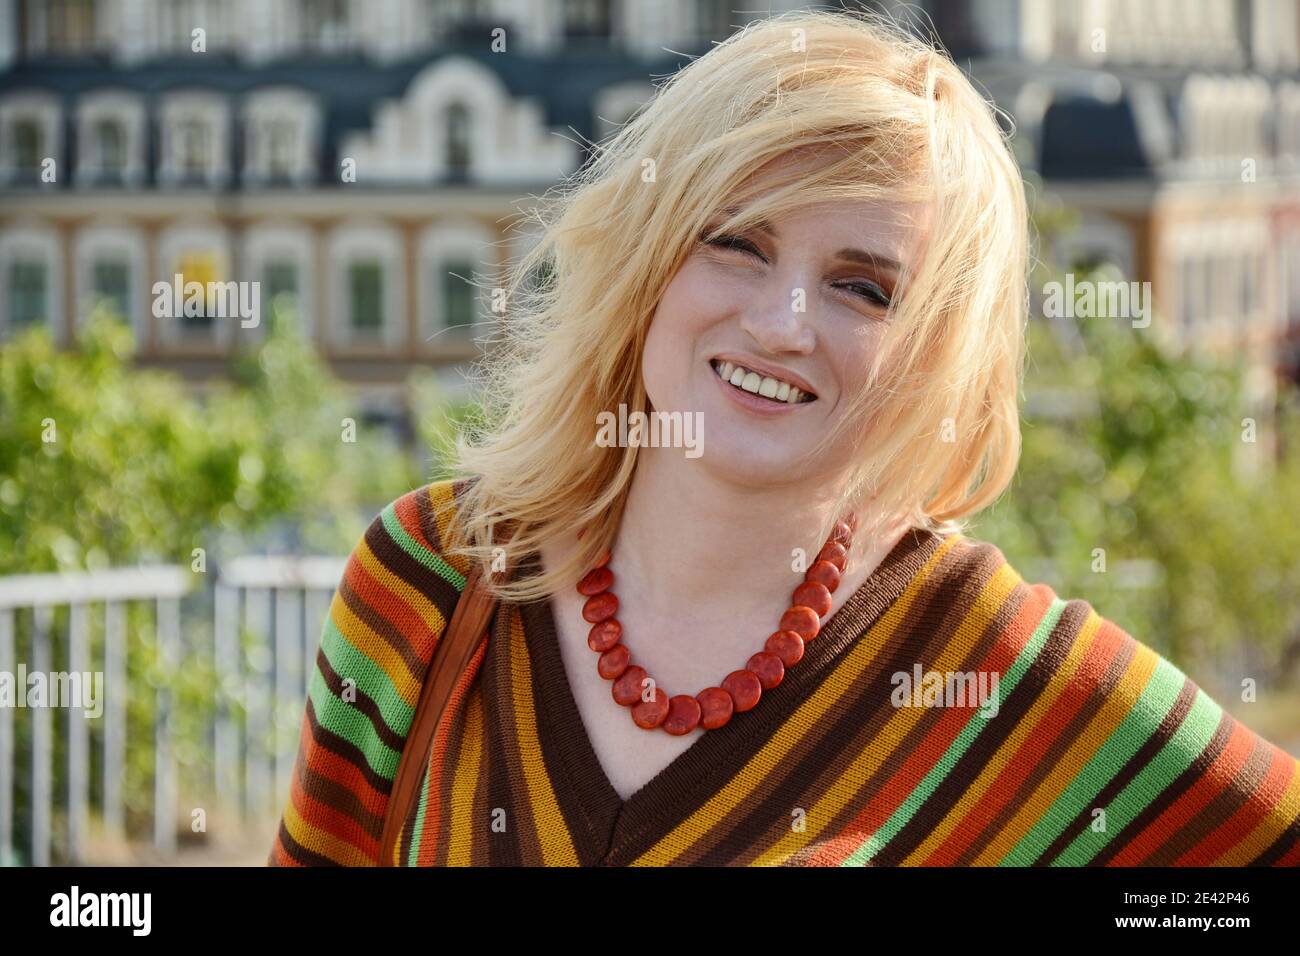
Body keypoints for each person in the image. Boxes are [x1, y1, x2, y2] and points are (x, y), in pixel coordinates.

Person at [269, 10, 1300, 867]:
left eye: (863, 286)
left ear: (934, 352)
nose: (781, 320)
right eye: (736, 241)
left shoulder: (1002, 674)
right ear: (646, 257)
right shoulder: (430, 582)